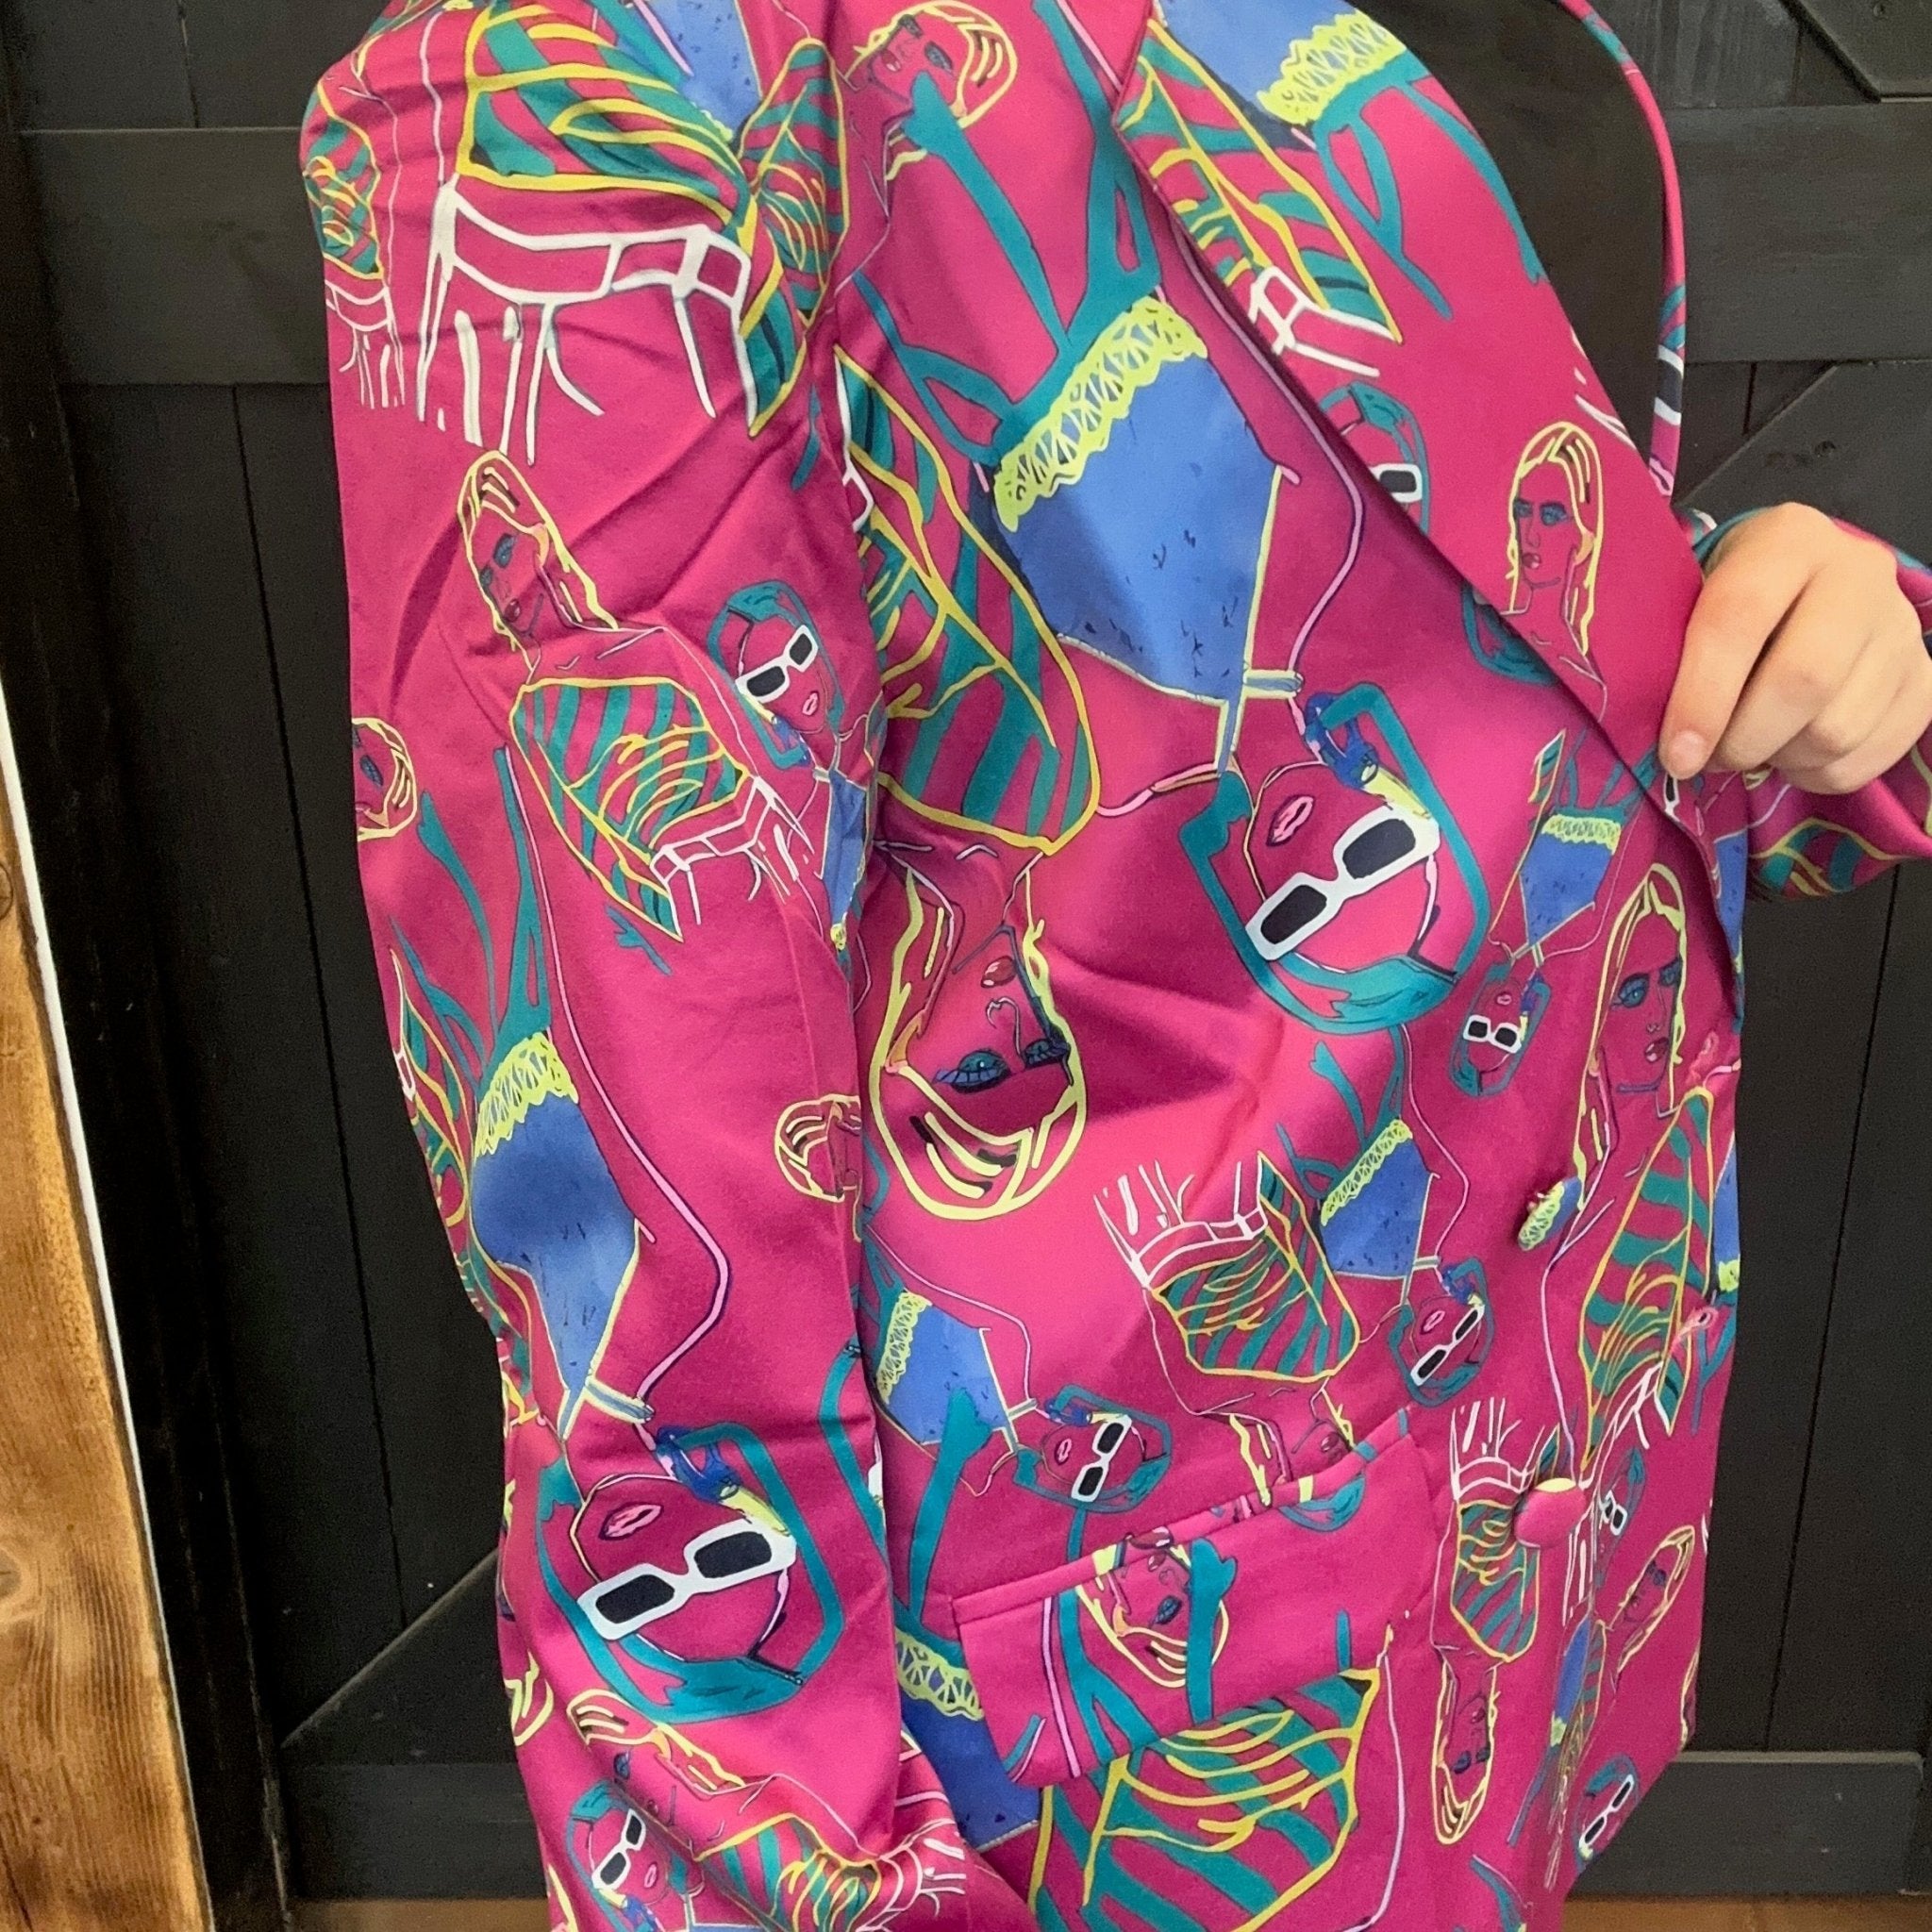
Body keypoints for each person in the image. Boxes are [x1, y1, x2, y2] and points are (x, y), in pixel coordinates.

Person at [302, 1, 1932, 1926]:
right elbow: (631, 1177)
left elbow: (1416, 581)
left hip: (1548, 1442)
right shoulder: (608, 73)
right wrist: (770, 1870)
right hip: (1136, 1667)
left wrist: (1780, 628)